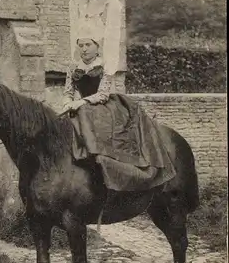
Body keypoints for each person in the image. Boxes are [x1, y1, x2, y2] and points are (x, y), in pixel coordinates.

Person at [62, 32, 176, 193]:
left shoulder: (105, 65)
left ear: (97, 47)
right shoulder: (73, 67)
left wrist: (81, 101)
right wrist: (67, 102)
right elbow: (68, 91)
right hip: (81, 108)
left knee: (111, 133)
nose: (84, 49)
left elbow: (102, 94)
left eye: (88, 45)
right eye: (81, 45)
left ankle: (111, 167)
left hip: (103, 106)